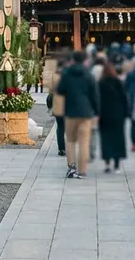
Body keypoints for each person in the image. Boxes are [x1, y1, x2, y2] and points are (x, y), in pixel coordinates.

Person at [57, 50, 99, 179]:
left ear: (73, 60)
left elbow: (60, 90)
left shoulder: (66, 74)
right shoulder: (88, 74)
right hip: (85, 112)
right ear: (85, 60)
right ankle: (82, 170)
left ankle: (71, 167)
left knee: (70, 141)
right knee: (84, 142)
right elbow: (95, 95)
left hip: (70, 111)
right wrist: (97, 111)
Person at [98, 60, 129, 174]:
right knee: (118, 139)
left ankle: (107, 163)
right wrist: (126, 113)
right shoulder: (118, 82)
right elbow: (124, 99)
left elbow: (98, 100)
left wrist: (97, 113)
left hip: (104, 115)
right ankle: (117, 164)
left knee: (105, 139)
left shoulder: (101, 83)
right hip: (118, 115)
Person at [47, 57, 68, 158]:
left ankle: (61, 148)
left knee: (60, 127)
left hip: (57, 104)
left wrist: (49, 105)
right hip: (68, 105)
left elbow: (50, 93)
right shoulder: (68, 75)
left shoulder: (53, 76)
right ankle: (69, 146)